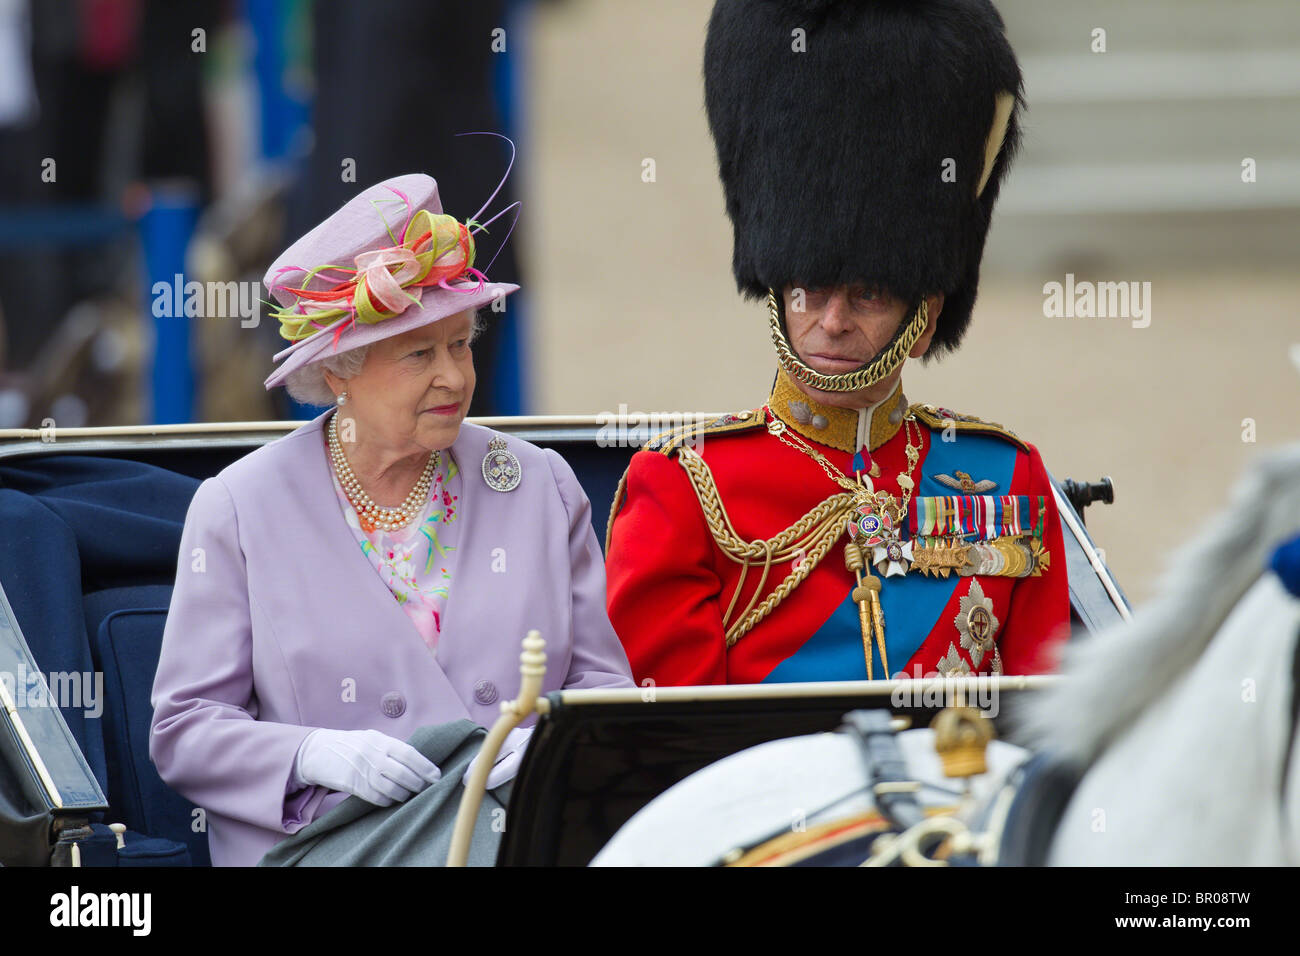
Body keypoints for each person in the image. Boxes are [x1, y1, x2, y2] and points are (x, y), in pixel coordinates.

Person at [149, 173, 633, 866]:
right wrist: (312, 754)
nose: (456, 377)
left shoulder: (538, 485)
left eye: (461, 344)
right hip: (340, 849)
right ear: (340, 370)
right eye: (420, 354)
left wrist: (560, 739)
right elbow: (185, 730)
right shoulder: (241, 508)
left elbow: (604, 686)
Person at [605, 0, 1070, 686]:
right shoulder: (684, 487)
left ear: (927, 314)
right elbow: (676, 749)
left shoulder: (1007, 479)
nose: (831, 322)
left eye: (869, 294)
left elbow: (1044, 721)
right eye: (809, 291)